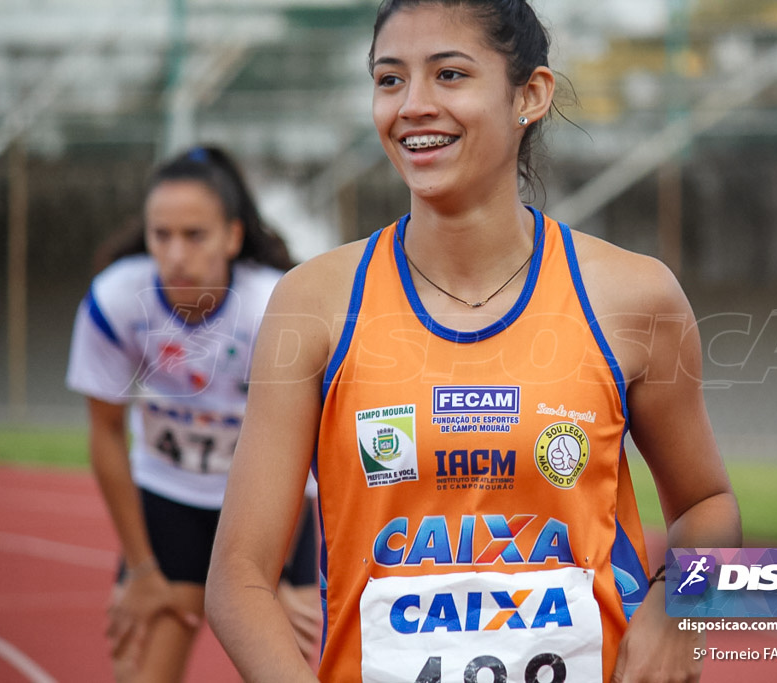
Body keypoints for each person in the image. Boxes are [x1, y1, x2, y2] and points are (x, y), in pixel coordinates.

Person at [206, 1, 741, 681]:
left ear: (530, 95)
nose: (413, 106)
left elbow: (707, 506)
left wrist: (679, 605)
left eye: (450, 75)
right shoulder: (313, 305)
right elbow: (239, 574)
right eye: (390, 79)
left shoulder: (633, 297)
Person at [66, 145, 321, 682]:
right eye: (162, 235)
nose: (176, 254)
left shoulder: (272, 306)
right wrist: (140, 568)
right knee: (137, 671)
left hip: (267, 510)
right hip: (168, 503)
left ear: (231, 236)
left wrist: (279, 573)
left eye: (195, 235)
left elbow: (302, 445)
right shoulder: (115, 302)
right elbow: (106, 435)